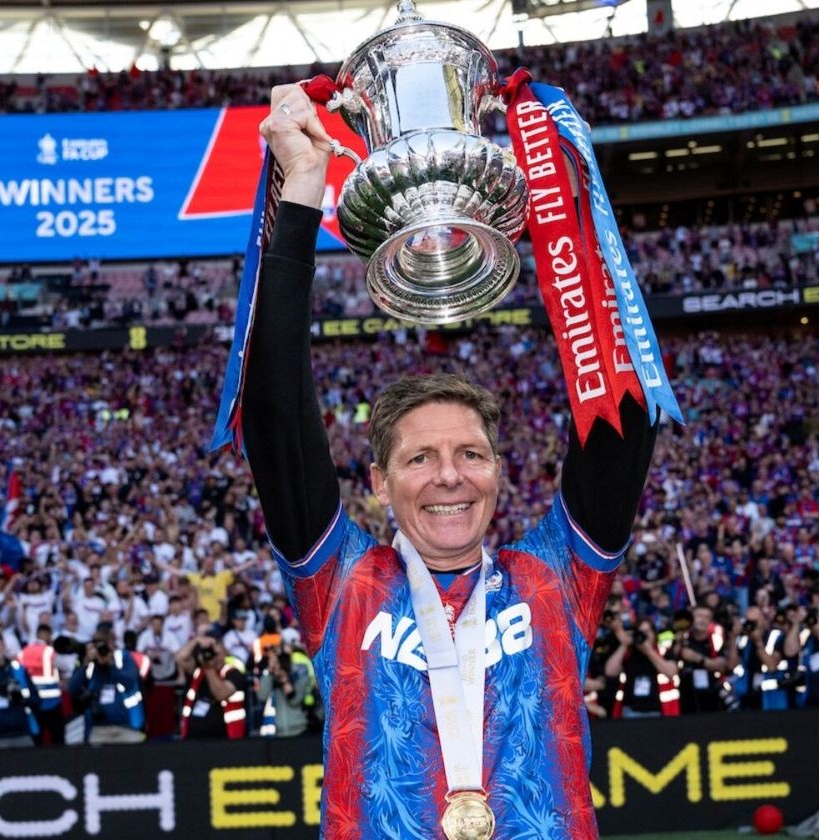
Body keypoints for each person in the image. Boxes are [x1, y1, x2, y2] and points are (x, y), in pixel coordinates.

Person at [236, 85, 660, 836]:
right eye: (420, 458)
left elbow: (622, 418)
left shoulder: (556, 576)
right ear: (378, 483)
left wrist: (559, 201)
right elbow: (275, 418)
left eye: (470, 454)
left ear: (499, 469)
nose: (448, 476)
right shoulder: (341, 583)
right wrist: (301, 188)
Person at [66, 629, 146, 743]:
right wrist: (85, 662)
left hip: (126, 725)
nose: (102, 649)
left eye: (106, 644)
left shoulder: (123, 657)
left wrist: (110, 665)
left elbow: (130, 682)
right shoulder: (89, 662)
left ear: (112, 643)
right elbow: (73, 689)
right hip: (97, 728)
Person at [177, 634, 248, 740]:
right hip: (193, 738)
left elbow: (220, 693)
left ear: (224, 650)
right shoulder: (199, 671)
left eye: (217, 652)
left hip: (224, 739)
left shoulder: (233, 673)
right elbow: (180, 658)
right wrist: (197, 640)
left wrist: (208, 667)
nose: (214, 657)